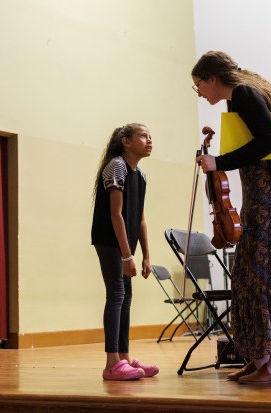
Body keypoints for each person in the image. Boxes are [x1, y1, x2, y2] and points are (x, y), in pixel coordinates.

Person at [192, 51, 271, 385]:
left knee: (267, 275)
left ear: (212, 78)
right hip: (266, 198)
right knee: (249, 272)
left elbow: (268, 140)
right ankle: (260, 356)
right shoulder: (239, 97)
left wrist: (219, 162)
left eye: (199, 85)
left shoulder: (244, 93)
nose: (200, 93)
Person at [91, 123, 159, 380]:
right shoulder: (117, 166)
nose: (149, 140)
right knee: (117, 294)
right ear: (126, 141)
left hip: (126, 245)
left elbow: (140, 219)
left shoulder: (140, 176)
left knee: (126, 297)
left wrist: (146, 256)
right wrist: (126, 255)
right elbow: (115, 214)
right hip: (109, 241)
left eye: (150, 136)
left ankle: (124, 358)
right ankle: (111, 363)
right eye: (143, 136)